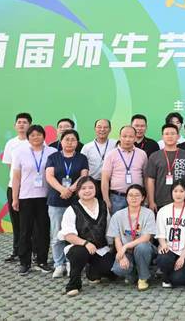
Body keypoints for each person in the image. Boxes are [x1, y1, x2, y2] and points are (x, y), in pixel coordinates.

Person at [11, 124, 57, 274]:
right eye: (32, 135)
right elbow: (16, 177)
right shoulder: (20, 152)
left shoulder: (52, 152)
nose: (36, 137)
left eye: (38, 134)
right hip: (26, 197)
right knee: (25, 231)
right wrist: (15, 198)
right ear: (28, 137)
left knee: (43, 230)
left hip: (45, 197)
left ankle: (42, 260)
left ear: (44, 136)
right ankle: (25, 262)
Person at [45, 129, 89, 278]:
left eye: (73, 140)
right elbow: (49, 176)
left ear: (77, 142)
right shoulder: (53, 157)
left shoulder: (82, 158)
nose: (70, 142)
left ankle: (72, 263)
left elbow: (83, 176)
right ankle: (59, 264)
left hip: (76, 201)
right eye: (67, 139)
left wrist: (70, 189)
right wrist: (62, 189)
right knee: (57, 234)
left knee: (75, 233)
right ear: (61, 141)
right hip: (56, 200)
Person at [59, 176, 114, 297]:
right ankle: (74, 284)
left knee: (110, 269)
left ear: (96, 189)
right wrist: (85, 243)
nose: (87, 190)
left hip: (100, 249)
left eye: (90, 187)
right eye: (83, 188)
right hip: (79, 247)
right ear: (78, 191)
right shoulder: (72, 209)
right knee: (79, 253)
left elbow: (108, 229)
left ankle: (92, 271)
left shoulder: (103, 205)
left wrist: (111, 247)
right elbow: (68, 235)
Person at [108, 184, 157, 291]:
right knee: (118, 269)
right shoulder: (118, 215)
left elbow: (146, 237)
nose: (133, 198)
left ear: (143, 197)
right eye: (130, 195)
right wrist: (122, 255)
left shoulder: (148, 213)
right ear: (126, 198)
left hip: (144, 249)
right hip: (127, 252)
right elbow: (117, 238)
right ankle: (133, 273)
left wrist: (125, 246)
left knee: (141, 247)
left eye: (137, 195)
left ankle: (143, 278)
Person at [0, 112, 32, 262]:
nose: (21, 125)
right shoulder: (11, 143)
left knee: (31, 223)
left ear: (30, 125)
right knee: (16, 221)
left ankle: (33, 252)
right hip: (14, 188)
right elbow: (10, 166)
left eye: (25, 122)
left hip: (31, 189)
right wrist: (16, 182)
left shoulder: (35, 141)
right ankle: (17, 251)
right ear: (15, 125)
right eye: (19, 122)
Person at [156, 182, 185, 288]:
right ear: (171, 192)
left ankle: (178, 274)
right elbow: (160, 234)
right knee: (164, 259)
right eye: (175, 191)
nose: (178, 194)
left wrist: (182, 257)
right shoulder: (163, 210)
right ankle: (166, 277)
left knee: (178, 280)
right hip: (168, 249)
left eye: (181, 191)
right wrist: (164, 245)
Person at [101, 126, 148, 214]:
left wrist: (147, 198)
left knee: (137, 222)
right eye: (124, 136)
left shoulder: (142, 154)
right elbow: (105, 179)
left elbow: (146, 177)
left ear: (135, 138)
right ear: (119, 137)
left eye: (131, 137)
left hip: (137, 197)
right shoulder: (111, 154)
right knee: (117, 222)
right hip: (117, 198)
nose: (127, 139)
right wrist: (106, 199)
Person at [146, 124, 185, 213]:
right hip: (160, 201)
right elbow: (150, 180)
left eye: (173, 134)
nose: (170, 136)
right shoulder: (154, 156)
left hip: (181, 200)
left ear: (178, 136)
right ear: (162, 137)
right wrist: (151, 201)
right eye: (166, 134)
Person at [80, 119, 117, 201]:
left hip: (111, 183)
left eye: (105, 127)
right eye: (99, 127)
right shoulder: (87, 147)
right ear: (95, 129)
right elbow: (82, 167)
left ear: (110, 129)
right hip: (93, 183)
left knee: (108, 206)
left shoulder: (116, 144)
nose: (102, 129)